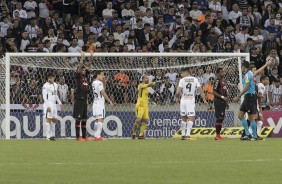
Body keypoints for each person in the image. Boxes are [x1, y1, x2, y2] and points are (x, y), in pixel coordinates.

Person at [176, 67, 207, 140]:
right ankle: (187, 135)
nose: (181, 75)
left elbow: (178, 91)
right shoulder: (195, 79)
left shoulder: (182, 80)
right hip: (190, 101)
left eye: (182, 73)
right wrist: (204, 100)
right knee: (191, 118)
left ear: (186, 72)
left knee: (183, 118)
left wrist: (177, 98)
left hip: (183, 101)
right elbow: (201, 91)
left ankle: (183, 135)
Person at [233, 61, 258, 141]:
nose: (241, 67)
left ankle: (254, 136)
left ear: (243, 66)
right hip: (248, 96)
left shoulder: (248, 74)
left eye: (241, 66)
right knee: (240, 115)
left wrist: (239, 96)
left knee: (251, 117)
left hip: (249, 96)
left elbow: (247, 86)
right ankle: (247, 134)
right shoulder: (250, 73)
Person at [72, 51, 93, 141]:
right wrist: (82, 57)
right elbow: (80, 67)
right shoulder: (78, 76)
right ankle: (77, 137)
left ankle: (84, 136)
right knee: (78, 119)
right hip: (79, 100)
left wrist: (91, 57)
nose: (84, 70)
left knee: (84, 119)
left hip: (84, 100)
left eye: (84, 70)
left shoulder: (85, 76)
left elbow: (88, 66)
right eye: (83, 70)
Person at [132, 75, 156, 139]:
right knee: (138, 120)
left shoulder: (147, 89)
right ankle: (134, 133)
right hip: (140, 105)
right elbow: (147, 85)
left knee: (145, 120)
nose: (147, 79)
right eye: (146, 78)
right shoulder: (140, 85)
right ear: (142, 79)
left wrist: (152, 101)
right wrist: (152, 84)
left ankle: (141, 135)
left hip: (145, 106)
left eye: (148, 78)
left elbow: (146, 97)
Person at [92, 71, 114, 141]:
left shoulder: (93, 82)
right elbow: (103, 93)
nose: (103, 76)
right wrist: (109, 101)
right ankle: (98, 136)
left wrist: (104, 82)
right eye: (102, 75)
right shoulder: (99, 83)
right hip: (100, 103)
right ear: (97, 75)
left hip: (95, 103)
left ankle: (95, 135)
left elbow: (102, 89)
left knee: (97, 120)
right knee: (101, 119)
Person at [42, 72, 63, 141]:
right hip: (48, 104)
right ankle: (47, 136)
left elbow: (55, 95)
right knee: (48, 119)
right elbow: (44, 97)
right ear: (49, 78)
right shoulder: (45, 86)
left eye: (54, 77)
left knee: (54, 119)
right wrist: (48, 106)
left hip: (54, 104)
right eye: (52, 78)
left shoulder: (55, 85)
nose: (53, 79)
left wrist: (59, 102)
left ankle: (52, 135)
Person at [213, 68, 228, 140]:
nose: (223, 73)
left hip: (222, 102)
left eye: (223, 71)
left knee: (221, 118)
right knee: (219, 118)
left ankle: (218, 135)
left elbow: (224, 92)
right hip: (218, 101)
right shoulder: (217, 81)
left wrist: (226, 102)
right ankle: (217, 135)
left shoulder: (223, 81)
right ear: (218, 73)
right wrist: (222, 97)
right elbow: (214, 92)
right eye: (222, 72)